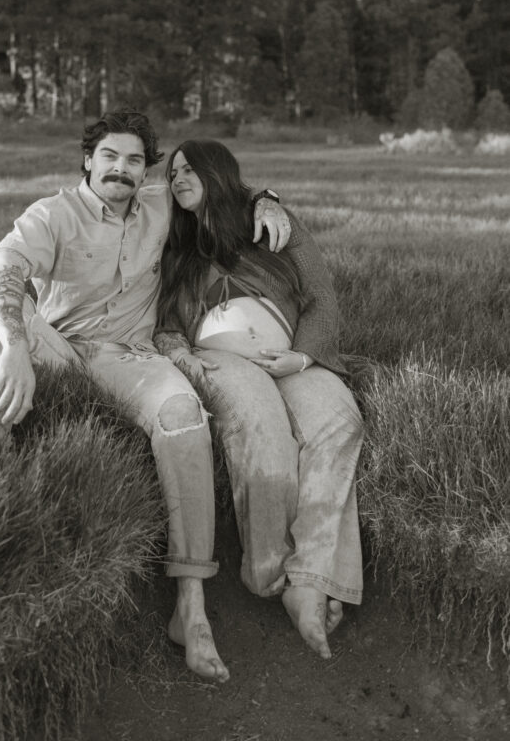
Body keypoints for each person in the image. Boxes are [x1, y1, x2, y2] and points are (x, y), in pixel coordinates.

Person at [0, 108, 290, 684]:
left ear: (144, 169)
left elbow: (216, 189)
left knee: (184, 413)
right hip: (58, 345)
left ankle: (191, 607)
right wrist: (16, 343)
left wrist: (268, 199)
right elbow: (0, 273)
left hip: (128, 355)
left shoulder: (158, 204)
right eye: (110, 156)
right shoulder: (52, 214)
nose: (122, 168)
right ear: (89, 159)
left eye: (135, 159)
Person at [155, 139, 364, 661]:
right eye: (172, 171)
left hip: (291, 356)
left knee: (339, 422)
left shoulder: (271, 224)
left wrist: (304, 356)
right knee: (263, 429)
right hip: (219, 361)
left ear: (219, 174)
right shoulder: (169, 236)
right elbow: (162, 321)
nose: (177, 178)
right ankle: (270, 573)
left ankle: (310, 580)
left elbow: (321, 296)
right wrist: (179, 353)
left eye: (190, 170)